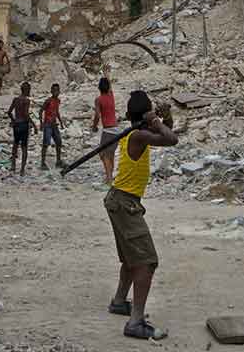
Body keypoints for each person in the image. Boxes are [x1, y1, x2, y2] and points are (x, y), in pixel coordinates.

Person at [105, 90, 178, 341]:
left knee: (130, 259)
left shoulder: (135, 134)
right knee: (146, 261)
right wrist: (157, 121)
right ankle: (135, 322)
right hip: (124, 203)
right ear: (145, 116)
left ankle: (119, 301)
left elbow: (165, 132)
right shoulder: (138, 136)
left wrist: (163, 119)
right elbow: (171, 139)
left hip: (119, 200)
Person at [92, 77, 120, 184]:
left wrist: (94, 126)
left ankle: (109, 179)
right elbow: (111, 86)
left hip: (108, 130)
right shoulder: (111, 96)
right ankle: (110, 176)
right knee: (111, 154)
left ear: (99, 87)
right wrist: (107, 74)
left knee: (103, 154)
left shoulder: (98, 100)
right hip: (117, 129)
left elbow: (97, 115)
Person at [7, 82, 36, 176]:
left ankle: (13, 166)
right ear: (27, 90)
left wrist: (13, 121)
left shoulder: (15, 99)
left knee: (15, 145)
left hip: (16, 125)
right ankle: (22, 170)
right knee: (24, 148)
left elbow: (9, 112)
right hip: (23, 125)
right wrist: (34, 124)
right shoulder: (26, 101)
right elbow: (26, 114)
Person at [39, 83, 65, 170]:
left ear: (59, 91)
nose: (56, 92)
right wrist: (41, 123)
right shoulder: (48, 101)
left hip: (54, 124)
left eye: (57, 90)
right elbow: (40, 111)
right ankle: (42, 163)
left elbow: (57, 112)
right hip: (48, 125)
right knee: (46, 144)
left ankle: (58, 161)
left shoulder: (58, 101)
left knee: (59, 142)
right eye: (54, 90)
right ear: (51, 91)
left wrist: (61, 122)